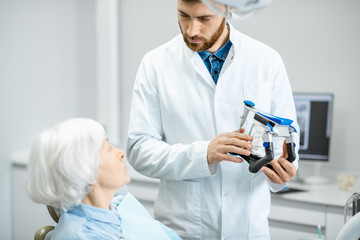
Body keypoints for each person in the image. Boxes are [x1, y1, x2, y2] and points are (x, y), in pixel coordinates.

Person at [126, 0, 300, 239]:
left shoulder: (266, 60)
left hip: (248, 227)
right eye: (183, 16)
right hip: (184, 228)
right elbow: (139, 149)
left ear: (229, 11)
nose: (192, 30)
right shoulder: (155, 64)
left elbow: (289, 134)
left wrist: (285, 170)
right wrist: (204, 153)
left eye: (204, 19)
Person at [27, 118, 182, 240]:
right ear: (86, 172)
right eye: (108, 148)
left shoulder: (119, 205)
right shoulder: (80, 235)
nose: (121, 153)